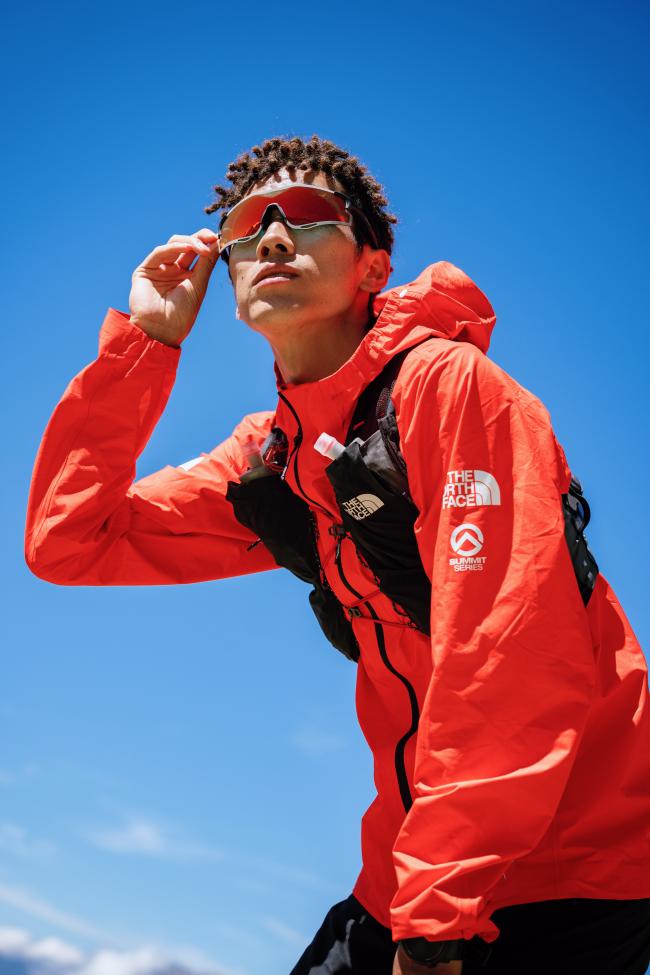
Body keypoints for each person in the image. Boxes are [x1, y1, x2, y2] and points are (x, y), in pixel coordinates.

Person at [24, 134, 650, 975]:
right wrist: (146, 342)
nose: (275, 236)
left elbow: (508, 658)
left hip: (562, 877)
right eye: (248, 224)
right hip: (407, 876)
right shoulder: (277, 458)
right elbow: (70, 539)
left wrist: (434, 924)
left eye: (310, 215)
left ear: (372, 266)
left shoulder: (450, 390)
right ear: (227, 270)